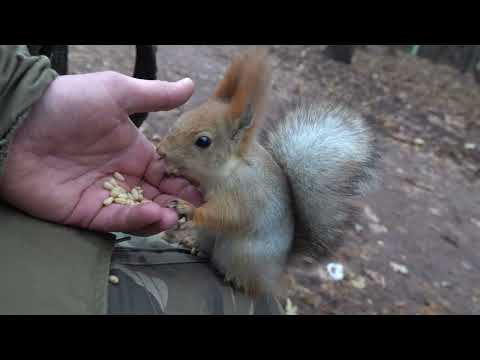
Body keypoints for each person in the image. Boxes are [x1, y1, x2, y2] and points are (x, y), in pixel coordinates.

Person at [0, 45, 282, 315]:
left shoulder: (242, 180)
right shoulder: (218, 165)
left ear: (233, 140)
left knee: (250, 285)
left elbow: (233, 216)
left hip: (249, 249)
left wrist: (22, 97)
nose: (160, 149)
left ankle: (234, 279)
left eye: (202, 142)